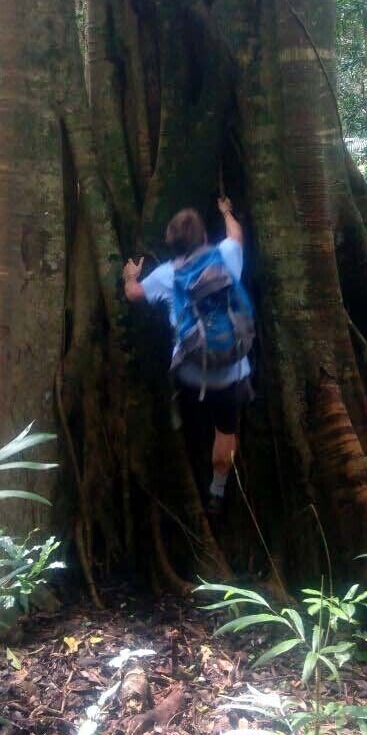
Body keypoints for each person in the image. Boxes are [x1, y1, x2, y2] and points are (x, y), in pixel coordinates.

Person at [123, 198, 253, 514]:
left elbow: (133, 294)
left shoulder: (166, 274)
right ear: (205, 238)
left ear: (171, 244)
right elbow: (236, 235)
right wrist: (225, 212)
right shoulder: (226, 255)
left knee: (182, 390)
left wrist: (130, 274)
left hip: (190, 373)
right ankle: (217, 491)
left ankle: (179, 416)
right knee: (226, 431)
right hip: (231, 374)